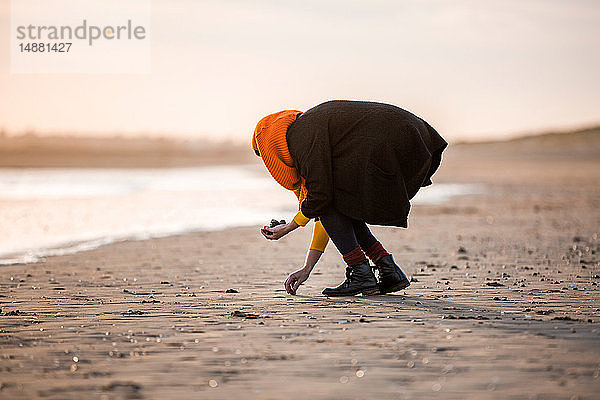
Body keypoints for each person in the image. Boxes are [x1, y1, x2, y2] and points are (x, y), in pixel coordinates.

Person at [253, 100, 447, 296]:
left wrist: (288, 227)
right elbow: (326, 209)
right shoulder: (307, 129)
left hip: (398, 140)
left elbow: (321, 200)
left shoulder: (300, 138)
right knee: (344, 201)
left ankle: (360, 272)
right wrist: (307, 269)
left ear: (270, 144)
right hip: (418, 137)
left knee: (331, 198)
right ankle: (388, 269)